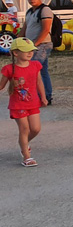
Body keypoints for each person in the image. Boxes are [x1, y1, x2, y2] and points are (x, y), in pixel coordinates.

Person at [0, 38, 48, 167]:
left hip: (33, 103)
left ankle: (24, 144)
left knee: (36, 129)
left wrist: (43, 97)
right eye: (26, 50)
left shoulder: (35, 65)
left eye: (31, 50)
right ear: (16, 53)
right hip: (17, 105)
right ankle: (26, 156)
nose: (30, 53)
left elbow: (39, 82)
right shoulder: (9, 69)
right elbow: (1, 85)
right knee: (24, 128)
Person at [22, 0, 54, 105]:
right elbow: (25, 29)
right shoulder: (29, 11)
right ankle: (45, 96)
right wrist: (18, 42)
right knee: (42, 70)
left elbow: (46, 29)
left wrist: (34, 45)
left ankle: (41, 97)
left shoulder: (45, 10)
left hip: (42, 44)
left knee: (34, 71)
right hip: (31, 45)